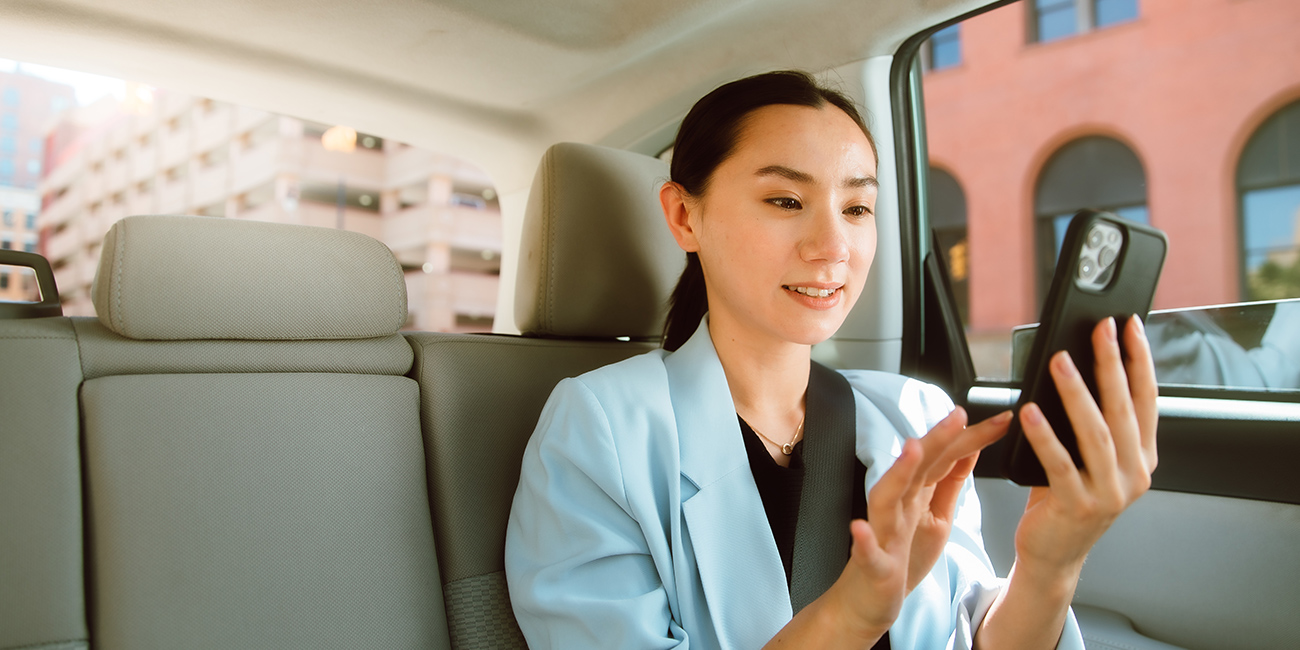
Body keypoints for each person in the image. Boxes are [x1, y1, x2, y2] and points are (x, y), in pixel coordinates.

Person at [505, 70, 1159, 649]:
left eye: (856, 208)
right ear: (683, 216)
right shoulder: (599, 429)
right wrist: (848, 617)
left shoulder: (915, 415)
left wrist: (1050, 564)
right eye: (786, 201)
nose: (832, 245)